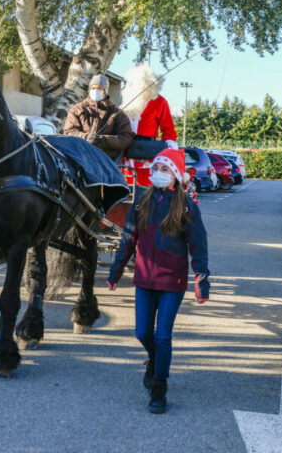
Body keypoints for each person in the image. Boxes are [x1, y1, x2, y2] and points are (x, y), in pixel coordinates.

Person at [106, 148, 209, 414]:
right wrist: (115, 271)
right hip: (144, 280)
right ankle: (155, 360)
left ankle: (158, 388)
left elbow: (198, 246)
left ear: (175, 174)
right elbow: (128, 239)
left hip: (171, 283)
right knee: (142, 332)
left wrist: (202, 280)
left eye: (165, 169)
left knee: (162, 336)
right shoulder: (141, 202)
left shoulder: (187, 207)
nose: (158, 174)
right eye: (156, 169)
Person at [121, 65, 178, 186]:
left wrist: (166, 153)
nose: (129, 86)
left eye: (132, 83)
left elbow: (169, 131)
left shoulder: (159, 102)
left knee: (147, 190)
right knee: (126, 189)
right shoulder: (126, 103)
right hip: (126, 153)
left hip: (149, 154)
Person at [63, 74, 134, 160]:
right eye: (93, 88)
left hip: (106, 160)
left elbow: (126, 137)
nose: (96, 91)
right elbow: (69, 132)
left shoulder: (117, 113)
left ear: (105, 91)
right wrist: (86, 137)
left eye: (99, 88)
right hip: (80, 157)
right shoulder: (76, 110)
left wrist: (104, 140)